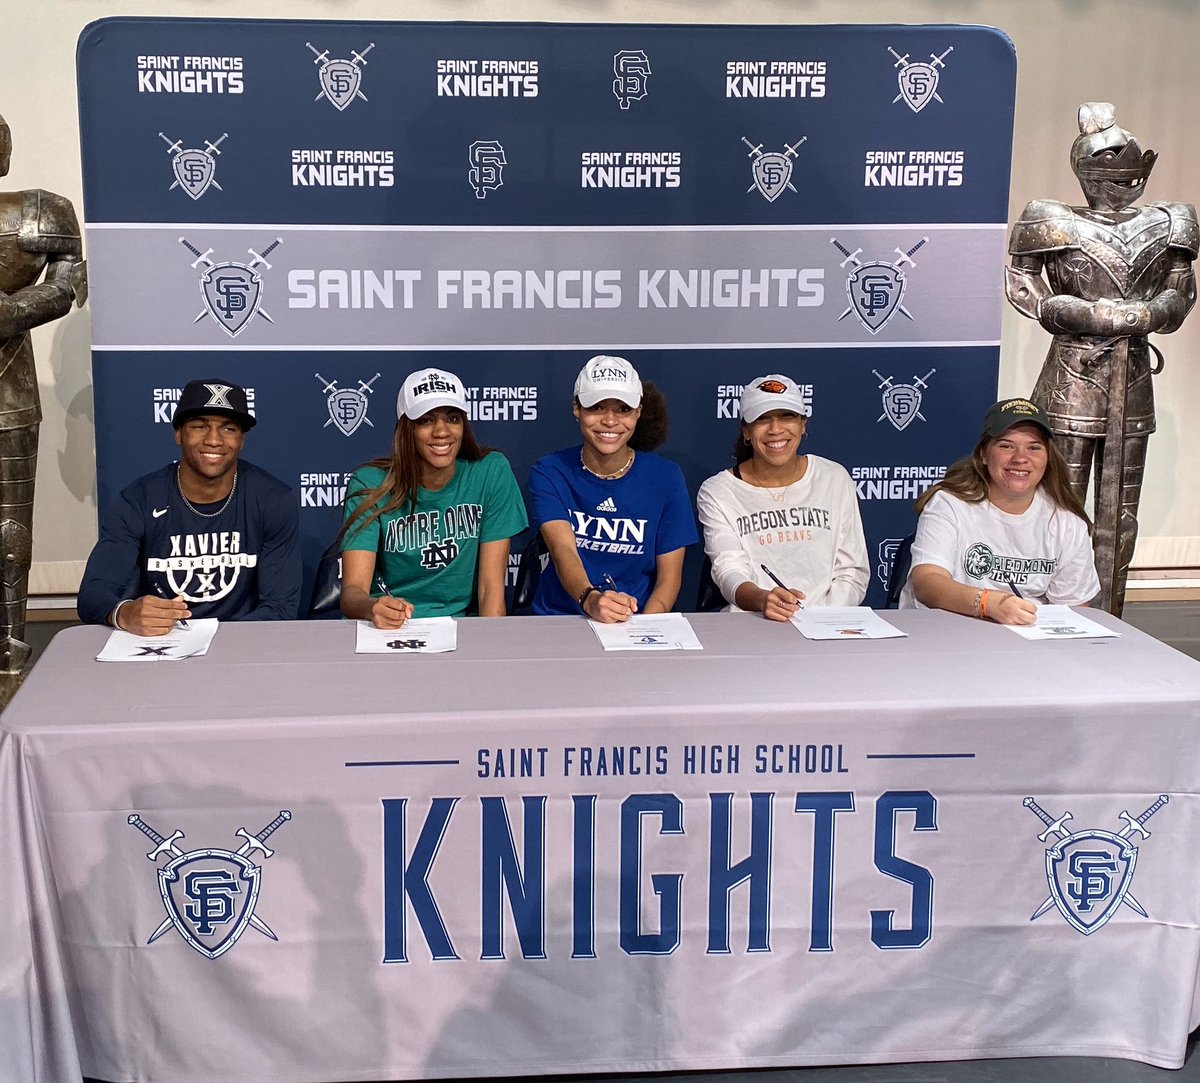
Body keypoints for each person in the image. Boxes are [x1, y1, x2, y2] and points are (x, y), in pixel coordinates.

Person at [1006, 102, 1197, 614]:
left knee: (1120, 516)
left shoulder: (1170, 221)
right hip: (1073, 372)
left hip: (1131, 374)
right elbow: (1023, 283)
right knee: (1055, 509)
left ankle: (1111, 617)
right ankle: (1050, 615)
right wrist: (1079, 311)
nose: (1121, 183)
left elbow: (1181, 291)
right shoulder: (1052, 217)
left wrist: (1148, 312)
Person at [78, 379, 301, 633]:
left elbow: (281, 606)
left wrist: (216, 641)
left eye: (228, 429)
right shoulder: (138, 500)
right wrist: (125, 613)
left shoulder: (273, 499)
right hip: (162, 640)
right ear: (179, 434)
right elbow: (93, 594)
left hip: (241, 640)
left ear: (242, 440)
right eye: (199, 426)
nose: (214, 440)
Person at [0, 113, 87, 672]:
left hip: (9, 390)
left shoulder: (38, 210)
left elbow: (71, 280)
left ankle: (9, 648)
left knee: (10, 531)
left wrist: (11, 311)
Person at [339, 367, 527, 627]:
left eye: (453, 418)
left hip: (462, 627)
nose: (441, 431)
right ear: (406, 429)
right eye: (426, 420)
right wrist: (372, 608)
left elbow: (490, 589)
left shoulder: (490, 471)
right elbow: (353, 592)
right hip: (389, 629)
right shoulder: (370, 483)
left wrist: (489, 645)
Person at [900, 397, 1100, 624]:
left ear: (1048, 457)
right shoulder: (949, 503)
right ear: (983, 455)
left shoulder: (1067, 521)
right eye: (1006, 446)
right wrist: (987, 603)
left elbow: (1073, 611)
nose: (1021, 458)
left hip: (1028, 635)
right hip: (948, 629)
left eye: (1034, 448)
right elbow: (928, 582)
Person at [529, 355, 697, 622]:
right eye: (596, 407)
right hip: (561, 618)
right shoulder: (550, 471)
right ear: (577, 409)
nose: (610, 421)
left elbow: (669, 581)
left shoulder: (666, 477)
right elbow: (563, 551)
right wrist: (590, 599)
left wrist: (642, 630)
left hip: (637, 620)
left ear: (638, 413)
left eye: (623, 409)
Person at [696, 374, 868, 620]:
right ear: (746, 431)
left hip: (828, 623)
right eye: (762, 418)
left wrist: (821, 618)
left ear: (803, 424)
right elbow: (728, 570)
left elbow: (851, 571)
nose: (775, 429)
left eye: (787, 416)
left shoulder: (834, 478)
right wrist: (763, 600)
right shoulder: (718, 491)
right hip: (754, 624)